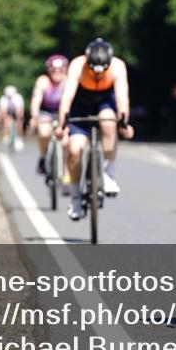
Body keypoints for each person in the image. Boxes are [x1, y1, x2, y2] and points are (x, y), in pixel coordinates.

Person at [56, 38, 135, 220]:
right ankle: (75, 197)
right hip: (80, 103)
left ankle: (109, 174)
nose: (97, 74)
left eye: (102, 71)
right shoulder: (77, 65)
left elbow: (122, 97)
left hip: (104, 101)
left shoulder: (117, 66)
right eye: (93, 71)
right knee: (75, 150)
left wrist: (124, 122)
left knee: (108, 122)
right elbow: (67, 97)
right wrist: (61, 125)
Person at [29, 54, 70, 184]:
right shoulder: (43, 81)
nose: (57, 73)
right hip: (46, 112)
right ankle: (43, 156)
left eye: (60, 70)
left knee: (66, 141)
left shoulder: (68, 81)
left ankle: (66, 171)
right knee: (44, 132)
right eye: (53, 70)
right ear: (49, 70)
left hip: (64, 113)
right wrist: (34, 116)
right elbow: (36, 99)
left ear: (65, 70)